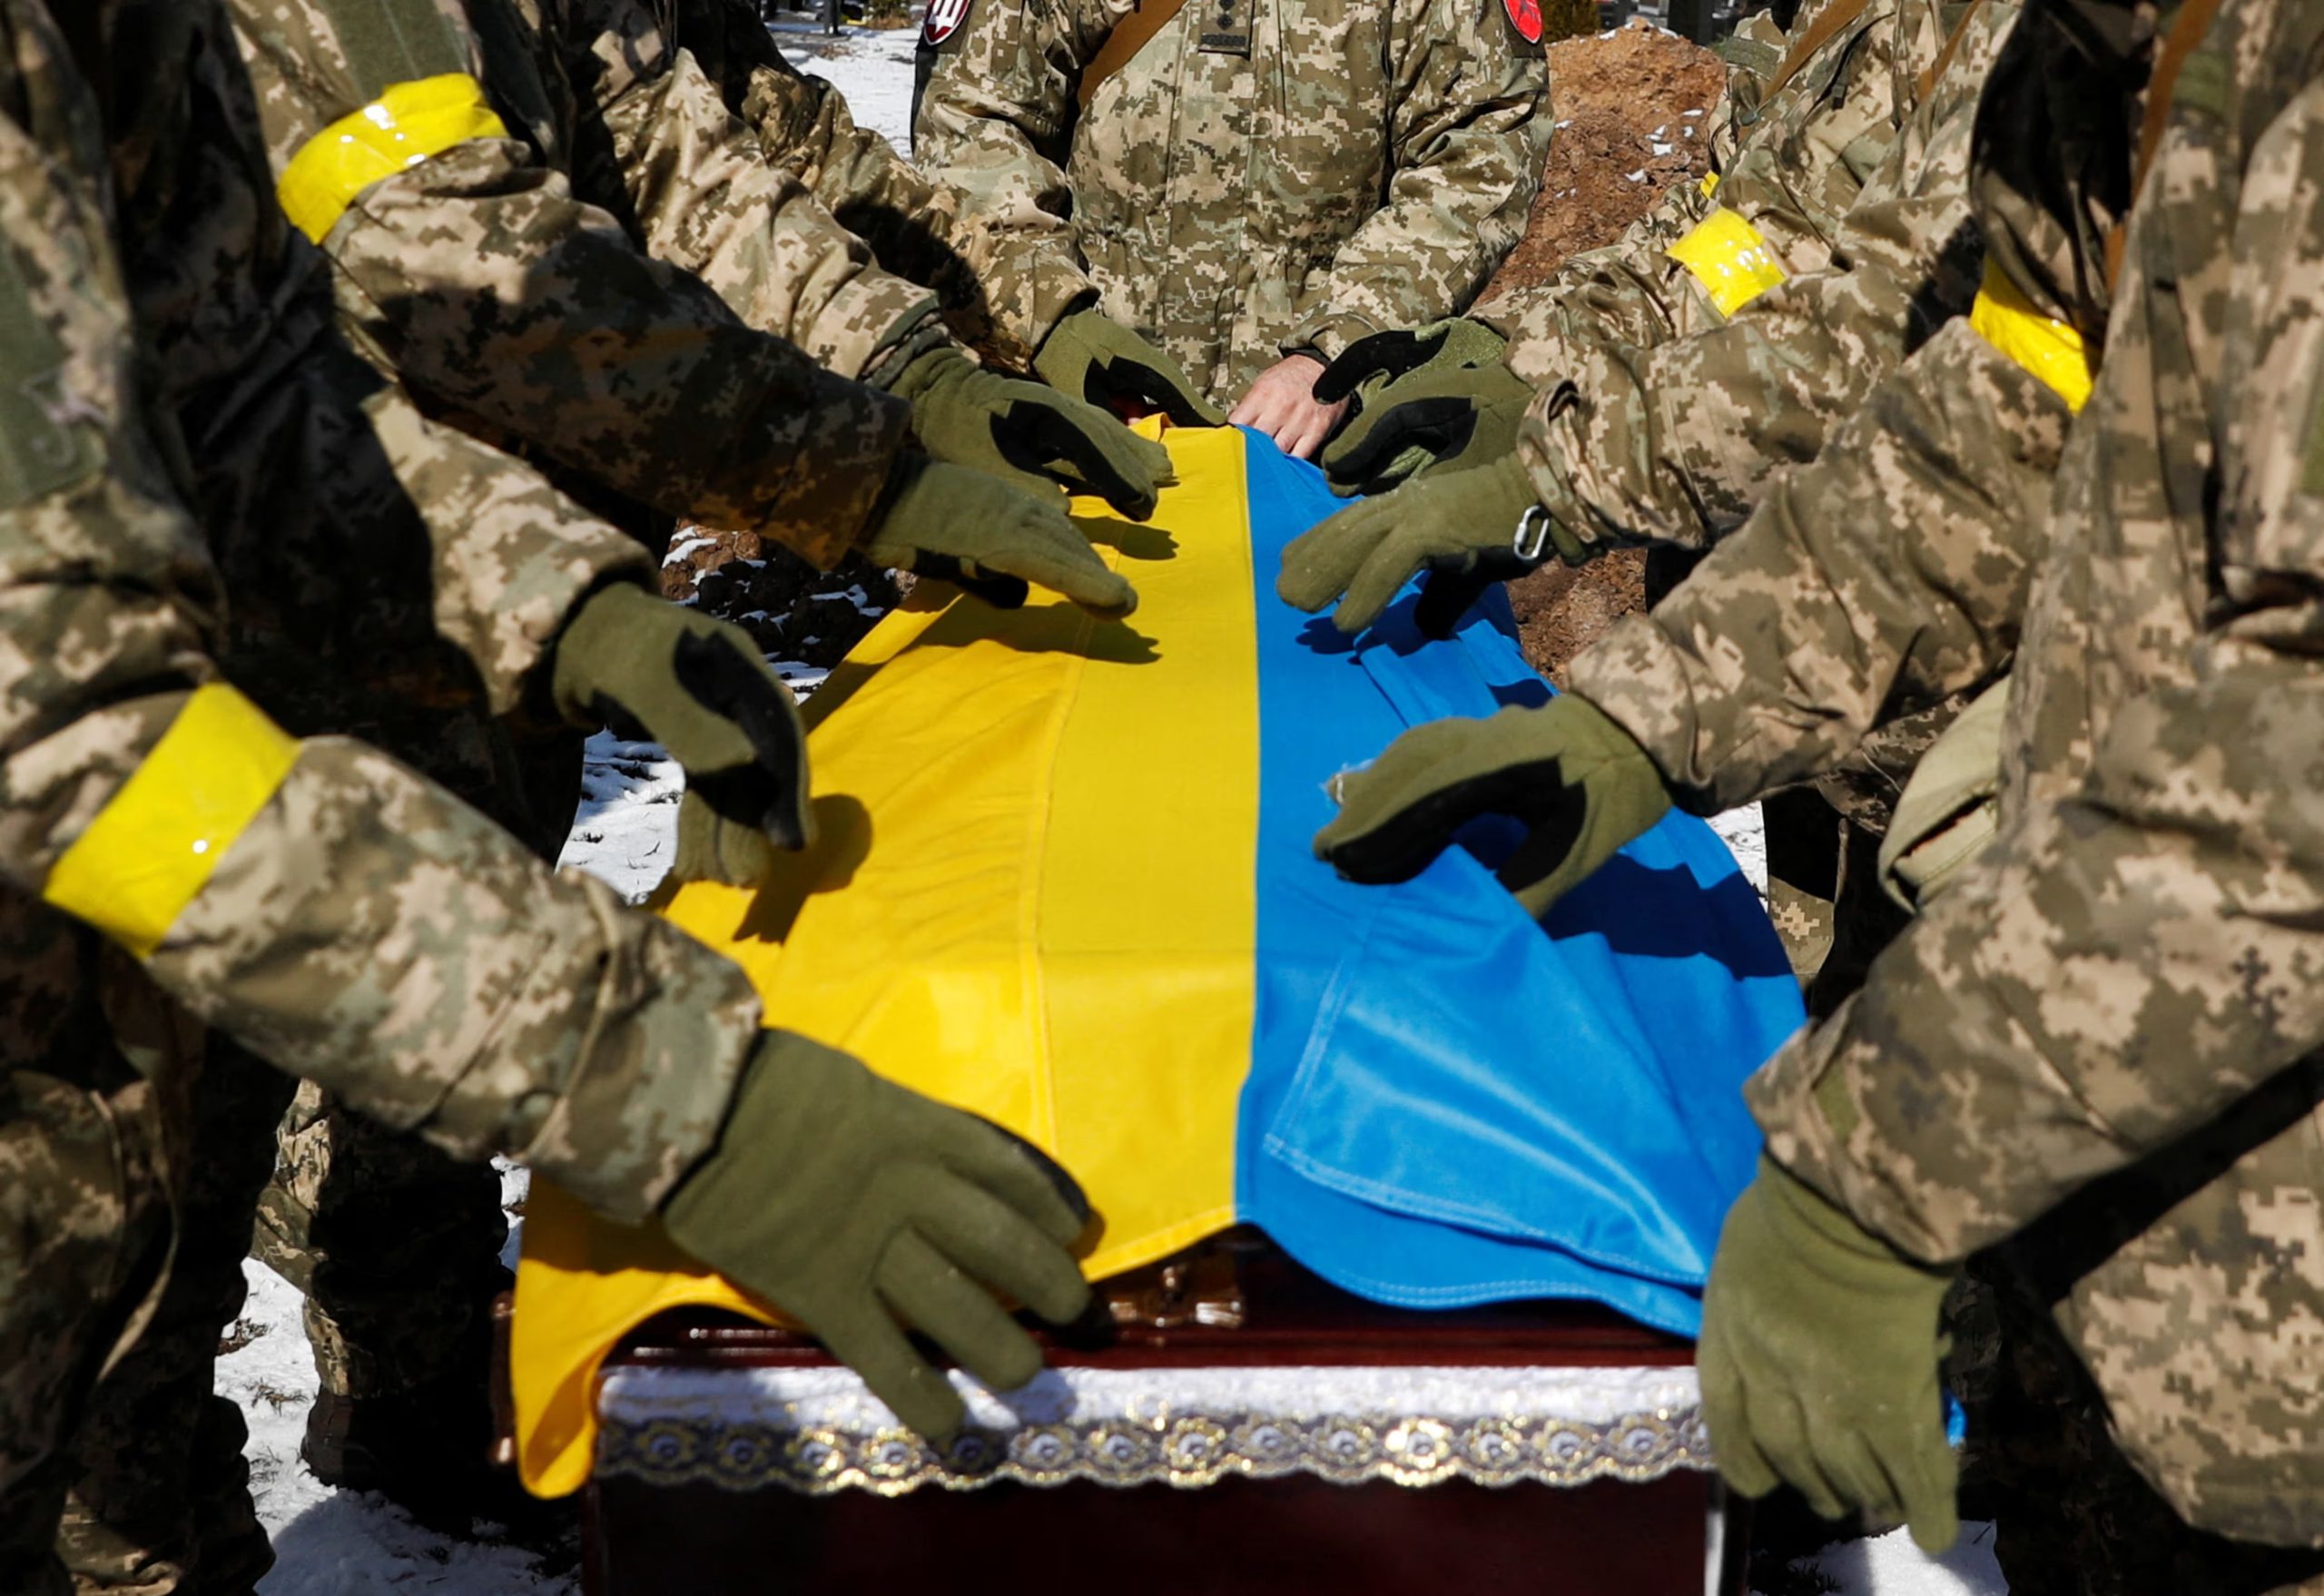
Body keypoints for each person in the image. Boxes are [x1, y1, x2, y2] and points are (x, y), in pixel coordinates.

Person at [0, 5, 1094, 1592]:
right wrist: (657, 1078)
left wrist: (574, 606)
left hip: (73, 1177)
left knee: (135, 1492)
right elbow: (70, 724)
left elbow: (242, 379)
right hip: (125, 890)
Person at [1307, 0, 2324, 1581]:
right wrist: (1643, 719)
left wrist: (1875, 1164)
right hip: (2156, 1194)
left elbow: (2289, 742)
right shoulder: (2097, 57)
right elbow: (2002, 421)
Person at [911, 0, 1550, 458]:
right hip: (1077, 421)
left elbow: (1478, 157)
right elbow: (970, 118)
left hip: (1322, 445)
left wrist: (1338, 352)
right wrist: (1055, 329)